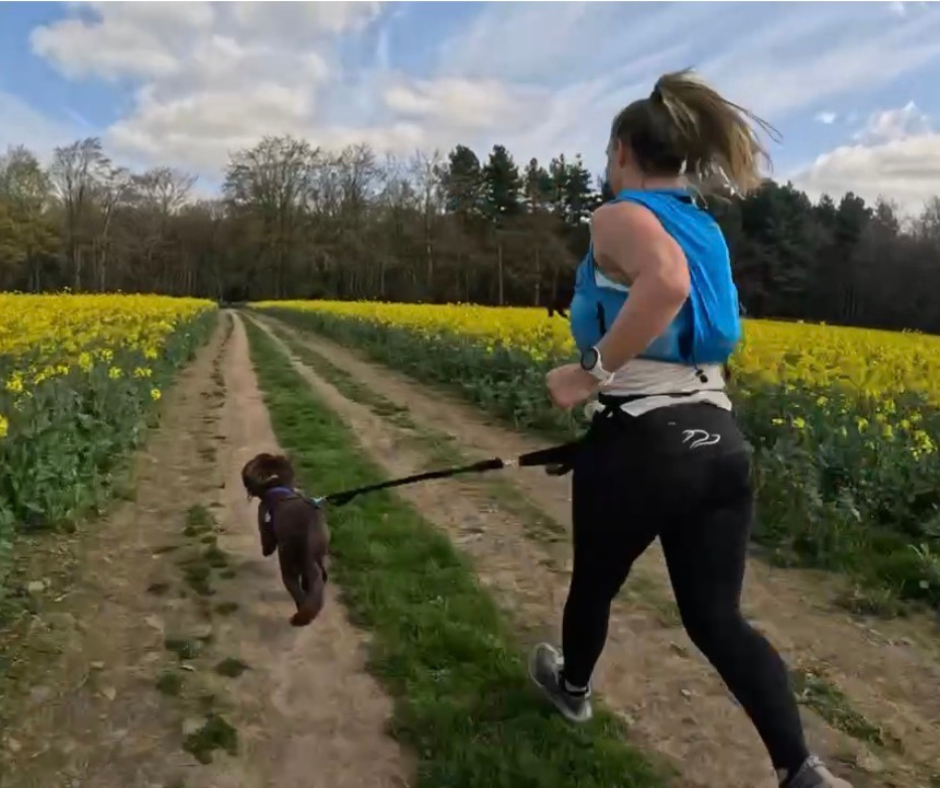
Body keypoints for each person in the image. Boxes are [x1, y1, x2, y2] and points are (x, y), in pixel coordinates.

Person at [528, 70, 852, 788]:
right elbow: (693, 321)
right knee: (716, 619)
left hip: (646, 441)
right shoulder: (704, 229)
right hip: (719, 444)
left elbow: (664, 286)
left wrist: (589, 374)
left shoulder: (617, 215)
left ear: (620, 151)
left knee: (594, 586)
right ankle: (801, 769)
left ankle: (573, 691)